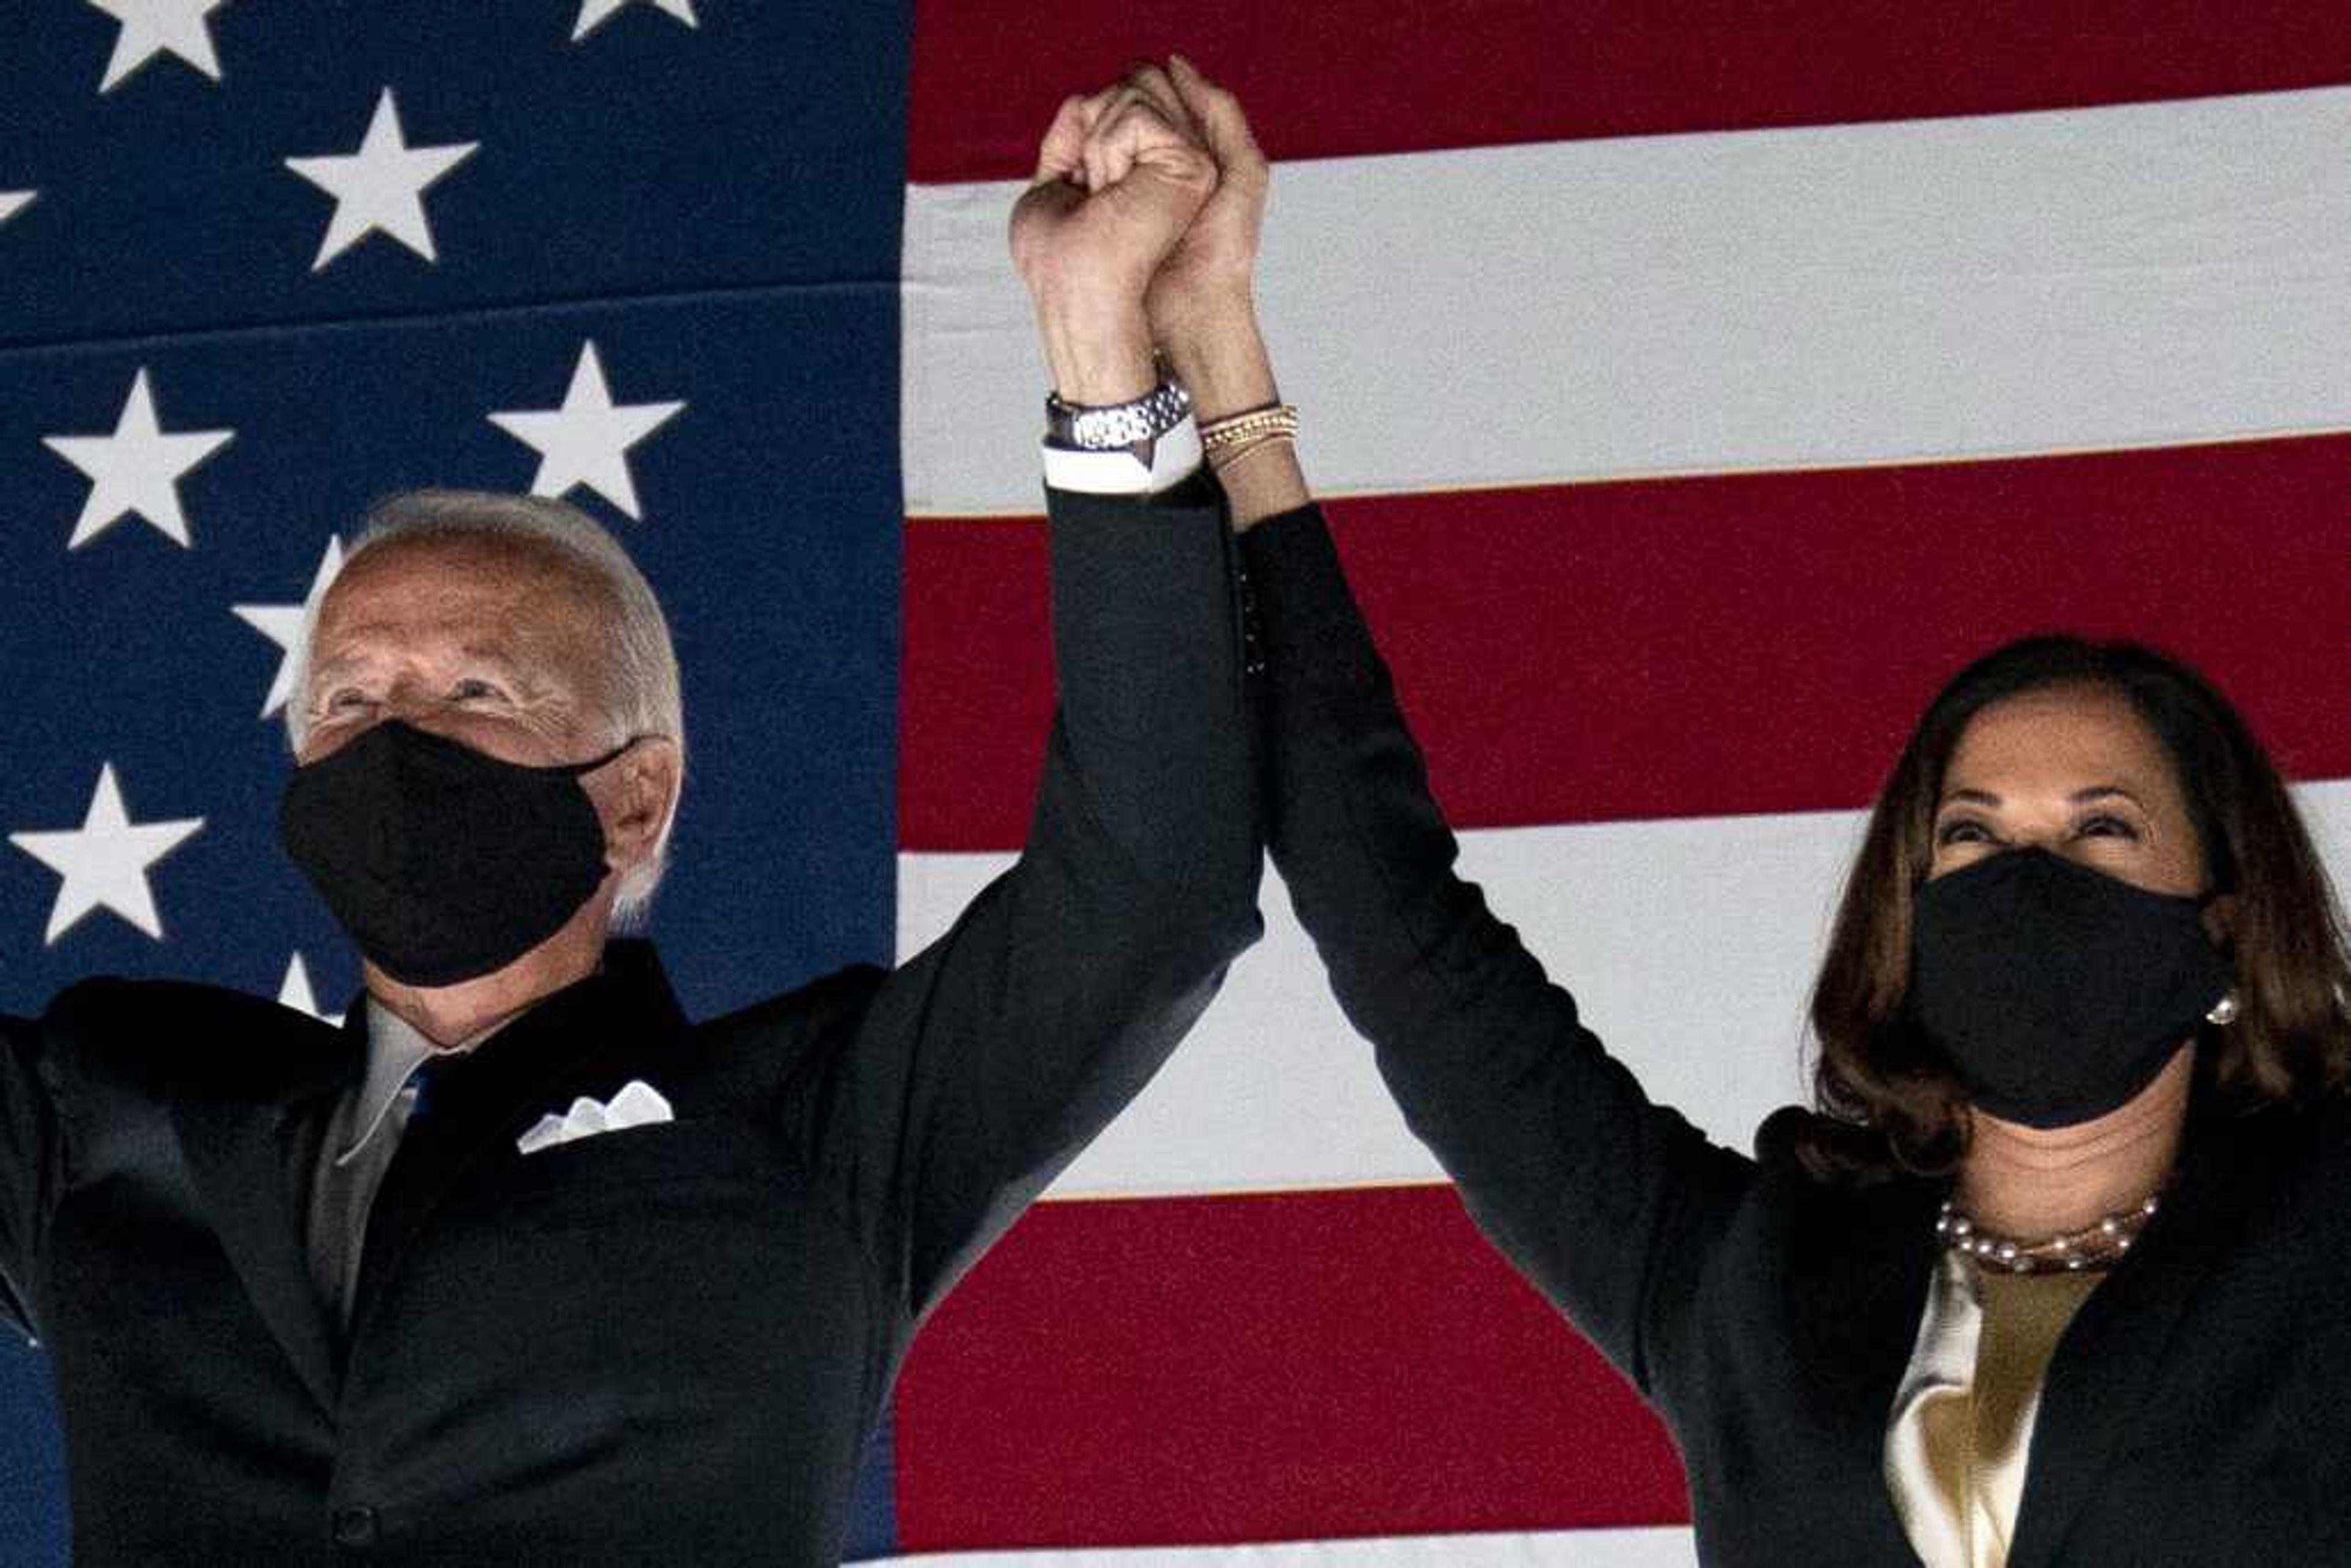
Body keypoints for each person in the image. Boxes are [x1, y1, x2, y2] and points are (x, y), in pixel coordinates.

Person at [0, 66, 1261, 1566]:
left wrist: (1107, 348)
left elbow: (1154, 893)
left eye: (478, 691)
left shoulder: (811, 1127)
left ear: (638, 786)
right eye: (346, 699)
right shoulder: (113, 1104)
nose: (395, 735)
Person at [1123, 61, 2351, 1567]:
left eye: (2103, 831)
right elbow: (1400, 937)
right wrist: (1214, 357)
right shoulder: (1753, 1284)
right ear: (1906, 909)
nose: (2026, 874)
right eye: (1968, 835)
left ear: (2226, 913)